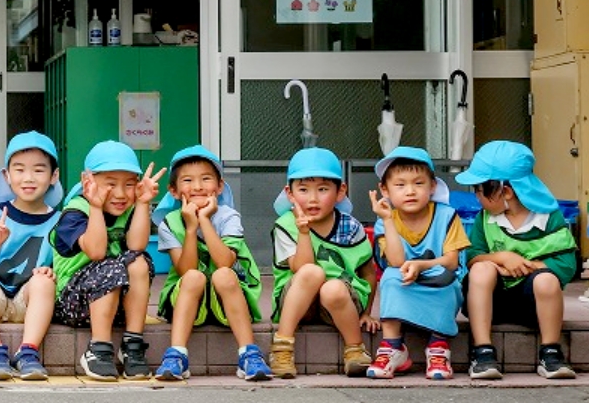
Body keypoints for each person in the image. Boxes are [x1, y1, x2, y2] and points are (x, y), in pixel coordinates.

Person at [458, 140, 579, 379]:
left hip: (532, 305)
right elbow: (472, 257)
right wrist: (501, 258)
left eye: (480, 191)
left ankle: (551, 352)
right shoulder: (485, 219)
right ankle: (482, 351)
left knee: (547, 280)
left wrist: (527, 267)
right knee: (481, 270)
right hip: (492, 301)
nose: (477, 198)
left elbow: (566, 265)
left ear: (506, 192)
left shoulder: (549, 218)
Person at [150, 146, 268, 381]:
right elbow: (186, 270)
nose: (197, 187)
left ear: (220, 186)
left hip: (229, 297)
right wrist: (191, 227)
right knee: (194, 277)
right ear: (173, 191)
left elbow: (224, 261)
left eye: (206, 179)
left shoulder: (228, 217)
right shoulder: (170, 222)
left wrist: (204, 220)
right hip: (187, 297)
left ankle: (249, 354)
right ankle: (177, 354)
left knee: (223, 274)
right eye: (187, 180)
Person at [50, 141, 162, 382]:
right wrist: (96, 207)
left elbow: (137, 246)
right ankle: (98, 349)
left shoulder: (131, 210)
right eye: (110, 184)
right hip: (72, 304)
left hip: (117, 305)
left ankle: (132, 345)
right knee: (111, 267)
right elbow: (97, 252)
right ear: (87, 180)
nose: (121, 194)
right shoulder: (75, 213)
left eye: (129, 184)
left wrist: (143, 203)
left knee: (139, 261)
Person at [0, 131, 63, 381]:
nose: (28, 178)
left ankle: (28, 352)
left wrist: (51, 272)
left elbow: (68, 263)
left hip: (30, 302)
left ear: (54, 176)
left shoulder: (61, 221)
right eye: (19, 170)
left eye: (39, 170)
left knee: (43, 282)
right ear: (7, 176)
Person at [269, 148, 380, 377]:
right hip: (298, 303)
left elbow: (368, 272)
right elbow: (301, 269)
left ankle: (355, 349)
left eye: (322, 189)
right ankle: (282, 346)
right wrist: (303, 232)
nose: (312, 198)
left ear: (340, 191)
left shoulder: (351, 227)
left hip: (340, 301)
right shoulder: (286, 225)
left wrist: (367, 312)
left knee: (332, 287)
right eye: (303, 189)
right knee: (312, 272)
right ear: (289, 193)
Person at [368, 146, 469, 380]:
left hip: (438, 275)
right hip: (404, 277)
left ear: (433, 186)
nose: (410, 191)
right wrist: (387, 220)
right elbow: (395, 261)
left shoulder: (446, 215)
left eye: (419, 183)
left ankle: (438, 346)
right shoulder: (386, 219)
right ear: (385, 189)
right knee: (392, 277)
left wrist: (422, 265)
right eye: (400, 185)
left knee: (448, 281)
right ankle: (393, 346)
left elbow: (452, 262)